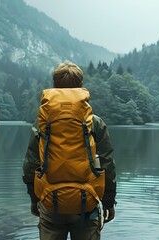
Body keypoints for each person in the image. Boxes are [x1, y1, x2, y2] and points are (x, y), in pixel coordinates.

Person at [22, 61, 117, 240]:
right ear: (80, 87)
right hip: (87, 204)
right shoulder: (94, 122)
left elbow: (30, 164)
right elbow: (107, 165)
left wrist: (35, 200)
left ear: (55, 86)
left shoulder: (42, 123)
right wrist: (109, 202)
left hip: (50, 202)